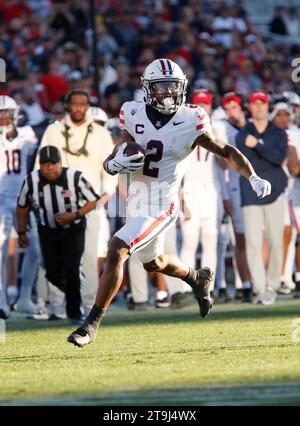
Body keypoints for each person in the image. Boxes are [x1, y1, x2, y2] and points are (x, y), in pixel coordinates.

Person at [67, 58, 271, 347]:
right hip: (137, 201)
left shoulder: (191, 118)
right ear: (149, 89)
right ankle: (196, 277)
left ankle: (90, 325)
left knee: (118, 248)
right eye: (162, 87)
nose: (169, 93)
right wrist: (115, 163)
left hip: (162, 203)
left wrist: (252, 176)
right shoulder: (132, 112)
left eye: (174, 86)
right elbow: (116, 155)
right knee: (154, 263)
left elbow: (224, 150)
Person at [36, 90, 116, 313]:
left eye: (83, 104)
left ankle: (90, 302)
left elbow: (110, 167)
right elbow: (39, 164)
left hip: (91, 201)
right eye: (75, 104)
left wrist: (107, 192)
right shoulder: (54, 131)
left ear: (88, 106)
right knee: (59, 257)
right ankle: (57, 303)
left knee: (90, 256)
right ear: (67, 106)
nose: (79, 108)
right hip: (58, 201)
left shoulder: (100, 132)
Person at [17, 146, 101, 323]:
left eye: (53, 164)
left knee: (72, 268)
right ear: (39, 165)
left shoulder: (75, 177)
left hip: (74, 228)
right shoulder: (31, 180)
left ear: (60, 163)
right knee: (52, 272)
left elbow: (94, 200)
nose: (49, 168)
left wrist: (75, 214)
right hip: (47, 230)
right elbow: (22, 206)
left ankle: (74, 313)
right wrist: (22, 231)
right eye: (44, 164)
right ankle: (74, 291)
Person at [236, 91, 288, 305]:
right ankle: (259, 288)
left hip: (275, 191)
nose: (258, 108)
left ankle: (272, 286)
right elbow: (244, 164)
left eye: (262, 104)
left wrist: (257, 145)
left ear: (267, 107)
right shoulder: (242, 134)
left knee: (276, 241)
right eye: (255, 104)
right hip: (250, 193)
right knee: (253, 243)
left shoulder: (278, 132)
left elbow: (278, 159)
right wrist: (258, 151)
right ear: (250, 107)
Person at [0, 95, 41, 319]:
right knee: (2, 250)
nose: (3, 117)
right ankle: (2, 300)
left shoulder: (27, 135)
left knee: (36, 249)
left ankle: (25, 296)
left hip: (24, 199)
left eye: (6, 112)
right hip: (1, 200)